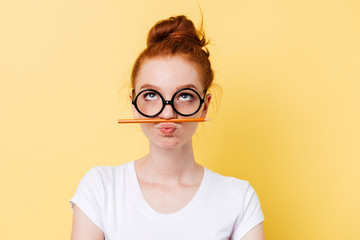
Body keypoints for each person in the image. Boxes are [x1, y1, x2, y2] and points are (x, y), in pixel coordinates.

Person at [70, 15, 265, 240]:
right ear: (134, 103)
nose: (167, 113)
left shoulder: (239, 198)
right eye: (151, 95)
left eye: (184, 95)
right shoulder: (100, 188)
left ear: (205, 106)